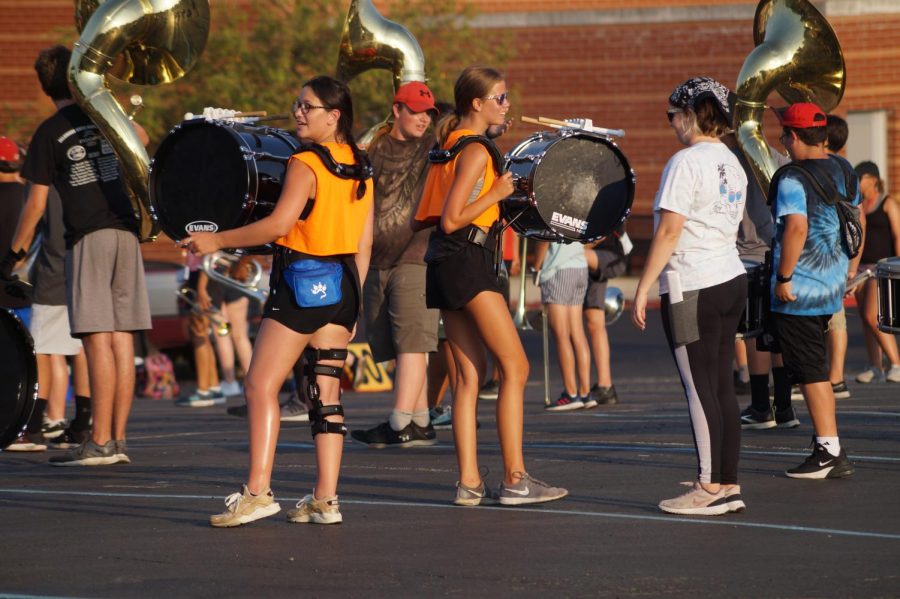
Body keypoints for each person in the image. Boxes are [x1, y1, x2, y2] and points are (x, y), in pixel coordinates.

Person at [183, 75, 374, 527]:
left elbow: (277, 225)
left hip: (302, 283)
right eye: (298, 104)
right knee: (325, 394)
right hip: (344, 285)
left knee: (259, 386)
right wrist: (356, 300)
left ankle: (258, 490)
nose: (298, 113)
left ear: (335, 115)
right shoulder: (360, 164)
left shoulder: (305, 162)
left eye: (308, 107)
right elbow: (365, 239)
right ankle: (326, 500)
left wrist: (217, 241)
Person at [414, 65, 567, 506]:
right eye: (500, 98)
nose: (507, 104)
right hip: (466, 260)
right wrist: (497, 193)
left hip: (443, 263)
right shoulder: (477, 151)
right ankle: (516, 478)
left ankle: (469, 483)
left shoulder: (448, 146)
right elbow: (452, 217)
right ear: (475, 104)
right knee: (515, 367)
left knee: (468, 376)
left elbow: (421, 219)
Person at [7, 46, 152, 466]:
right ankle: (117, 439)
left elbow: (34, 206)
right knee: (122, 337)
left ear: (44, 86)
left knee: (96, 338)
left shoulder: (51, 131)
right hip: (126, 232)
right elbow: (141, 140)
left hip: (88, 236)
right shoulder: (102, 116)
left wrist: (14, 255)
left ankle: (100, 441)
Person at [632, 77, 748, 515]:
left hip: (692, 284)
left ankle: (708, 487)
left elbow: (669, 229)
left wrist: (643, 286)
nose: (672, 125)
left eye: (673, 115)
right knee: (720, 386)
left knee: (700, 390)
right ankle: (727, 482)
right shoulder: (731, 161)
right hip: (728, 278)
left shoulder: (685, 161)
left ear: (694, 113)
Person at [768, 102, 858, 479]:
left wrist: (784, 277)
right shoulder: (845, 169)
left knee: (811, 372)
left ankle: (828, 449)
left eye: (783, 135)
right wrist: (847, 270)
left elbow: (797, 229)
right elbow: (856, 221)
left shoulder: (792, 178)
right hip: (830, 286)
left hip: (800, 291)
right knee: (813, 367)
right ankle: (828, 444)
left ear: (792, 136)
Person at [350, 81, 440, 448]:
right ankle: (419, 421)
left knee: (412, 343)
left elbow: (458, 128)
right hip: (375, 258)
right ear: (397, 110)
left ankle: (399, 421)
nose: (423, 119)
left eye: (428, 113)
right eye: (416, 111)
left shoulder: (432, 147)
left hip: (416, 254)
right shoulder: (373, 146)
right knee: (389, 344)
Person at [721, 124, 797, 430]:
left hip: (748, 254)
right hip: (780, 252)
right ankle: (785, 408)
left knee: (754, 334)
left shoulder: (729, 161)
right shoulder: (779, 159)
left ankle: (761, 407)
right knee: (777, 335)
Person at [0, 135, 43, 451]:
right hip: (25, 292)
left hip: (2, 295)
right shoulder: (27, 197)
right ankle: (30, 425)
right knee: (34, 363)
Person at [852, 160, 900, 383]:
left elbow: (898, 234)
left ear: (873, 180)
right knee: (864, 317)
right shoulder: (859, 204)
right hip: (862, 267)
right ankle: (875, 365)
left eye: (860, 178)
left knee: (873, 316)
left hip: (881, 268)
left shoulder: (887, 202)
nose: (858, 182)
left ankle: (896, 363)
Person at [535, 240, 591, 410]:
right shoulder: (580, 210)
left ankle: (571, 393)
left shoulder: (550, 211)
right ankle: (585, 393)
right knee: (577, 332)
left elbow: (544, 240)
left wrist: (536, 267)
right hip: (580, 266)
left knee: (561, 335)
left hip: (557, 268)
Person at [823, 114, 855, 397]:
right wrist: (853, 262)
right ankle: (837, 377)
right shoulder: (848, 167)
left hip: (820, 252)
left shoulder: (819, 166)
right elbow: (858, 218)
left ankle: (816, 379)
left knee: (813, 317)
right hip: (842, 251)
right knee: (837, 317)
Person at [175, 252, 226, 407]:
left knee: (199, 335)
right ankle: (214, 387)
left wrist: (201, 288)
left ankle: (203, 391)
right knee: (202, 335)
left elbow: (207, 256)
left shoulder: (201, 228)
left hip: (204, 278)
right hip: (197, 276)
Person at [583, 232, 626, 406]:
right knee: (594, 323)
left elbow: (601, 232)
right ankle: (605, 386)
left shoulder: (607, 205)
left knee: (571, 326)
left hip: (607, 255)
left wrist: (575, 249)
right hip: (592, 256)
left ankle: (579, 391)